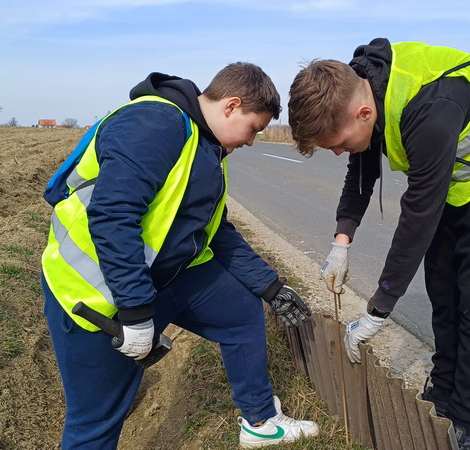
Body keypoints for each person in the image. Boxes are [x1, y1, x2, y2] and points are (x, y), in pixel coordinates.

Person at [288, 38, 470, 450]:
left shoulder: (427, 109)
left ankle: (463, 420)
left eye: (336, 143)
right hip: (455, 168)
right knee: (443, 291)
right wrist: (342, 239)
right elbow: (362, 167)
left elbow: (418, 218)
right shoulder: (363, 86)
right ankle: (442, 390)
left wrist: (378, 310)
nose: (338, 152)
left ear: (363, 112)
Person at [41, 62, 318, 449]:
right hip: (96, 297)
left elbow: (214, 230)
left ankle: (260, 421)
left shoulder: (204, 146)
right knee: (96, 421)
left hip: (162, 277)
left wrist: (270, 286)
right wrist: (136, 312)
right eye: (253, 128)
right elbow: (112, 216)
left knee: (240, 312)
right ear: (231, 105)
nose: (253, 141)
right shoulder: (154, 123)